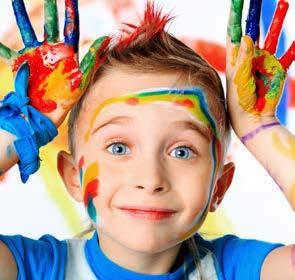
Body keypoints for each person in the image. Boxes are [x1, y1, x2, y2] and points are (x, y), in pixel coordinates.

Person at [0, 0, 294, 279]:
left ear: (219, 186)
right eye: (119, 147)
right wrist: (21, 127)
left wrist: (261, 129)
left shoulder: (237, 270)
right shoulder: (35, 269)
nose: (150, 178)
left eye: (182, 151)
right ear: (73, 176)